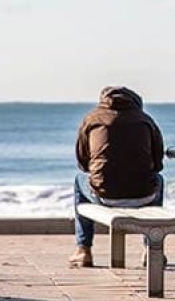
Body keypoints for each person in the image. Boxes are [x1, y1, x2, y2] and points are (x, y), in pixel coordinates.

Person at [71, 86, 166, 267]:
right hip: (143, 195)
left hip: (104, 195)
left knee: (79, 180)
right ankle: (150, 248)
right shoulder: (146, 120)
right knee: (159, 180)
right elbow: (158, 162)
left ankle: (83, 249)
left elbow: (82, 163)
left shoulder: (91, 120)